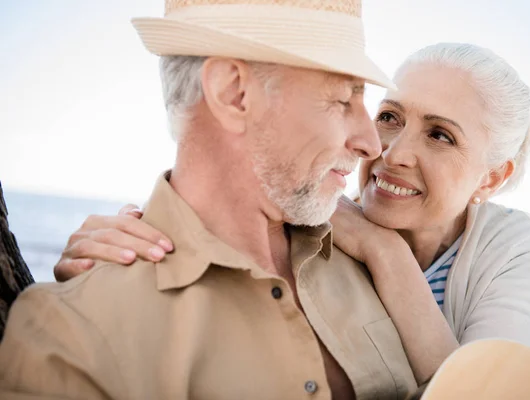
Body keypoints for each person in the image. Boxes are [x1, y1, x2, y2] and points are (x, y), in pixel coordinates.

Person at [57, 42, 530, 385]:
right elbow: (218, 207)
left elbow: (485, 392)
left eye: (440, 135)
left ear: (492, 178)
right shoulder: (319, 214)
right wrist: (117, 260)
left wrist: (386, 254)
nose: (391, 153)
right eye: (390, 118)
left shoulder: (512, 248)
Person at [0, 1, 421, 399]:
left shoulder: (386, 258)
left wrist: (390, 255)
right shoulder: (75, 331)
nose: (371, 143)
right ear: (233, 92)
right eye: (343, 99)